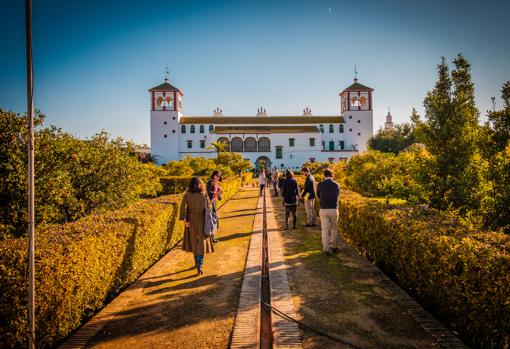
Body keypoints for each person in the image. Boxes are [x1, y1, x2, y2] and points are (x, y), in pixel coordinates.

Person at [180, 176, 215, 275]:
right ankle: (200, 264)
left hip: (191, 219)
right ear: (201, 184)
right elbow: (209, 207)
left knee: (193, 241)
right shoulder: (204, 194)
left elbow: (182, 207)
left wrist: (184, 219)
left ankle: (197, 262)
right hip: (202, 219)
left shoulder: (187, 194)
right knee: (202, 241)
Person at [316, 169, 341, 256]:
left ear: (324, 175)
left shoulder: (320, 184)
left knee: (325, 230)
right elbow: (338, 196)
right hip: (333, 209)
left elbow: (318, 195)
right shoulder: (337, 184)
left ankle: (326, 249)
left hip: (323, 209)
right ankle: (334, 247)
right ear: (332, 175)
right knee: (334, 229)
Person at [206, 170, 223, 243]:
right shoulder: (210, 182)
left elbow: (219, 197)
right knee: (212, 220)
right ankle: (212, 238)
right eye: (216, 175)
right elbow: (209, 192)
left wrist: (220, 194)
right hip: (210, 203)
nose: (217, 177)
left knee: (213, 220)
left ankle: (212, 238)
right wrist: (218, 192)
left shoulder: (216, 183)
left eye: (219, 176)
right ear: (213, 175)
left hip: (214, 203)